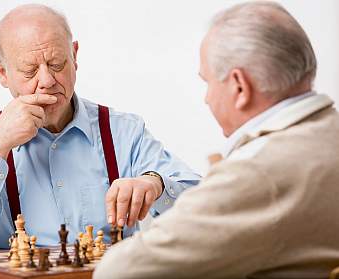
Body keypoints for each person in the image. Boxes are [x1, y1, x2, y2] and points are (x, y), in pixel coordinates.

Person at [94, 1, 339, 278]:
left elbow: (119, 272)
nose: (207, 98)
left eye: (208, 82)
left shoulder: (255, 172)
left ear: (239, 86)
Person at [0, 4, 200, 254]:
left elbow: (203, 208)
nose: (47, 81)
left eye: (57, 63)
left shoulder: (123, 131)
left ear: (74, 55)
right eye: (29, 71)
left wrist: (155, 182)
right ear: (2, 73)